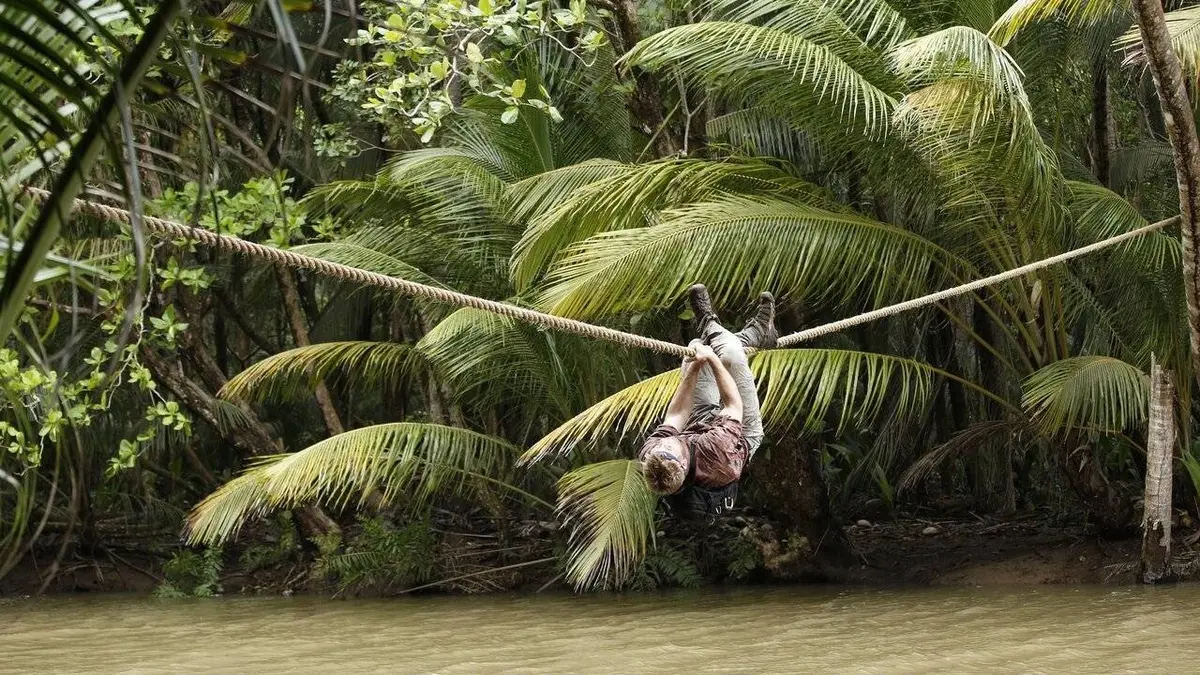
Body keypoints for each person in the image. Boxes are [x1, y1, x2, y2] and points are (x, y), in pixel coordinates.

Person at [637, 284, 776, 519]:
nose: (664, 443)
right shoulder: (717, 454)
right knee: (730, 356)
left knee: (693, 349)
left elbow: (676, 416)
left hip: (699, 428)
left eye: (659, 447)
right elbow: (733, 405)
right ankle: (708, 321)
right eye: (669, 447)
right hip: (740, 435)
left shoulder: (653, 455)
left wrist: (694, 368)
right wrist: (711, 359)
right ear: (682, 463)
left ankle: (757, 333)